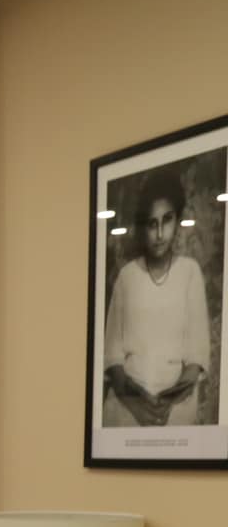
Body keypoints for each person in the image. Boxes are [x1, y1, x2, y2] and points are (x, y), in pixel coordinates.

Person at [104, 167, 211, 428]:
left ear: (178, 220)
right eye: (152, 224)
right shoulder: (127, 276)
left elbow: (197, 358)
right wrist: (137, 406)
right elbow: (112, 357)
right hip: (127, 402)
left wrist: (165, 404)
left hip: (176, 405)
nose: (160, 234)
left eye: (167, 220)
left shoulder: (190, 272)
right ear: (143, 228)